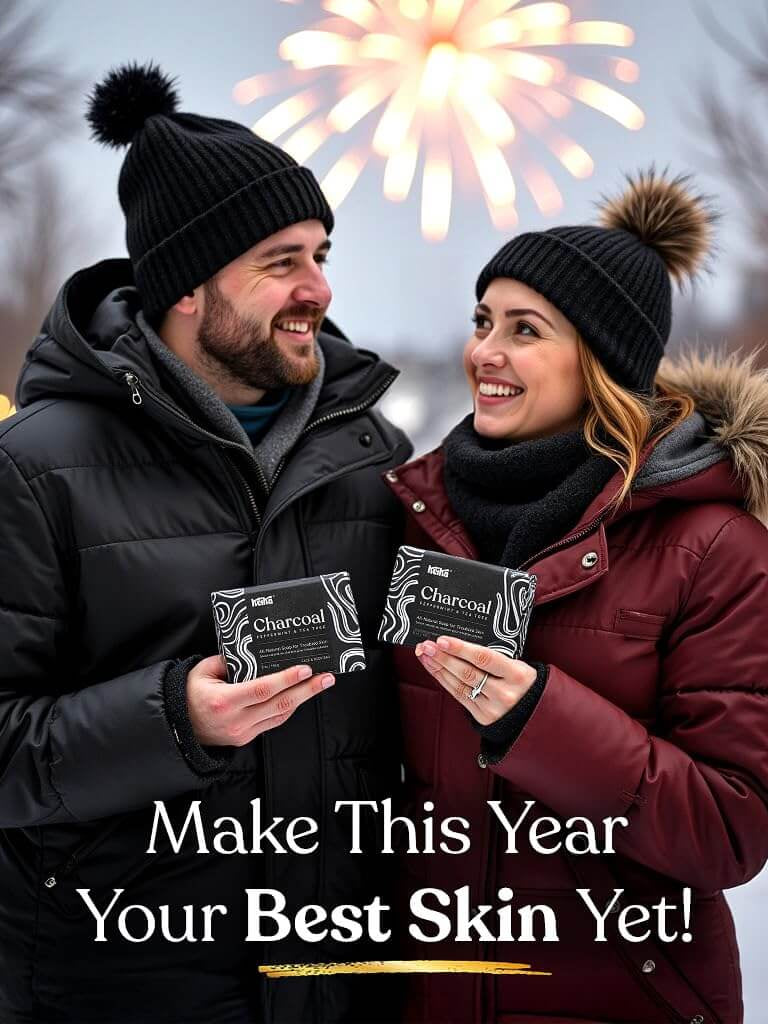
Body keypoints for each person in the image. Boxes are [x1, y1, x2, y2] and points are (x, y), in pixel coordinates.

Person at [0, 63, 410, 1023]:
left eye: (321, 252)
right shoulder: (33, 469)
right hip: (116, 989)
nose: (320, 287)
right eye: (281, 262)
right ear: (187, 286)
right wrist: (168, 718)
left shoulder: (374, 456)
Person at [384, 169, 768, 1024]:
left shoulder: (716, 548)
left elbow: (731, 829)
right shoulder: (417, 522)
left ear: (600, 360)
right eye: (484, 321)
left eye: (526, 330)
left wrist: (541, 724)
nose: (485, 351)